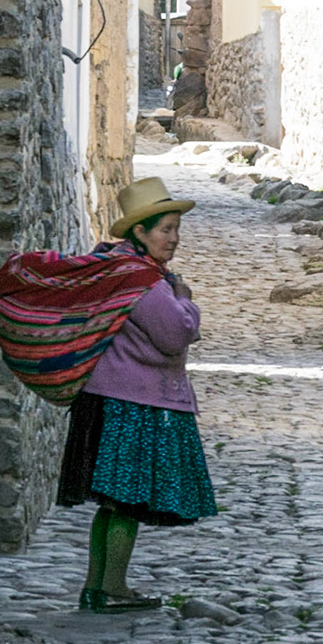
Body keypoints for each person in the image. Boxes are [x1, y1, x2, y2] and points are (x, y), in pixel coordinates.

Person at [55, 177, 217, 611]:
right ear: (140, 232)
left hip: (109, 398)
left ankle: (97, 587)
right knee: (125, 501)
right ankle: (112, 589)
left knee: (112, 504)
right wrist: (185, 299)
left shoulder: (118, 268)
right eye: (166, 229)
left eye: (176, 229)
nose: (174, 238)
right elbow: (175, 334)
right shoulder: (141, 279)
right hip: (133, 404)